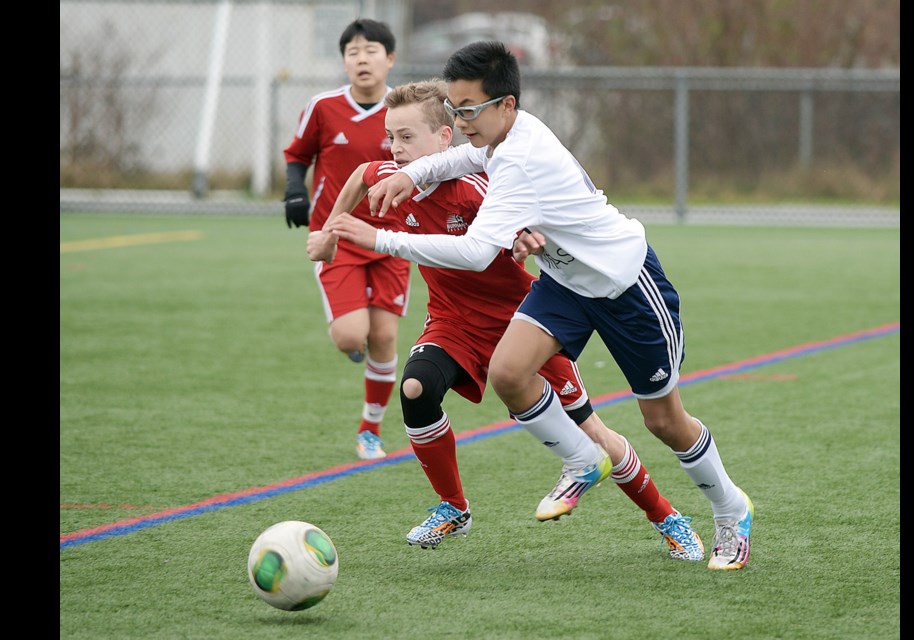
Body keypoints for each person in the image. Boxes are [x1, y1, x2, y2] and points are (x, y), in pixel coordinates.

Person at [329, 42, 754, 571]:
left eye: (467, 110)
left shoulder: (518, 161)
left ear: (505, 104)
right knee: (509, 372)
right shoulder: (508, 132)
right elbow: (468, 155)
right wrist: (412, 174)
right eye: (454, 109)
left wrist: (381, 241)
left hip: (625, 286)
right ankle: (581, 462)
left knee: (664, 421)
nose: (460, 122)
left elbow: (475, 251)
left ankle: (730, 511)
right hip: (564, 285)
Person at [282, 19, 409, 460]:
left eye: (371, 50)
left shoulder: (404, 110)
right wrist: (295, 190)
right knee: (351, 337)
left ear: (389, 58)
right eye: (352, 52)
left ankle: (369, 430)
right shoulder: (323, 106)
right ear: (344, 62)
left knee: (386, 337)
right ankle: (354, 344)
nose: (362, 59)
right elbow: (297, 154)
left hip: (392, 238)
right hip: (336, 237)